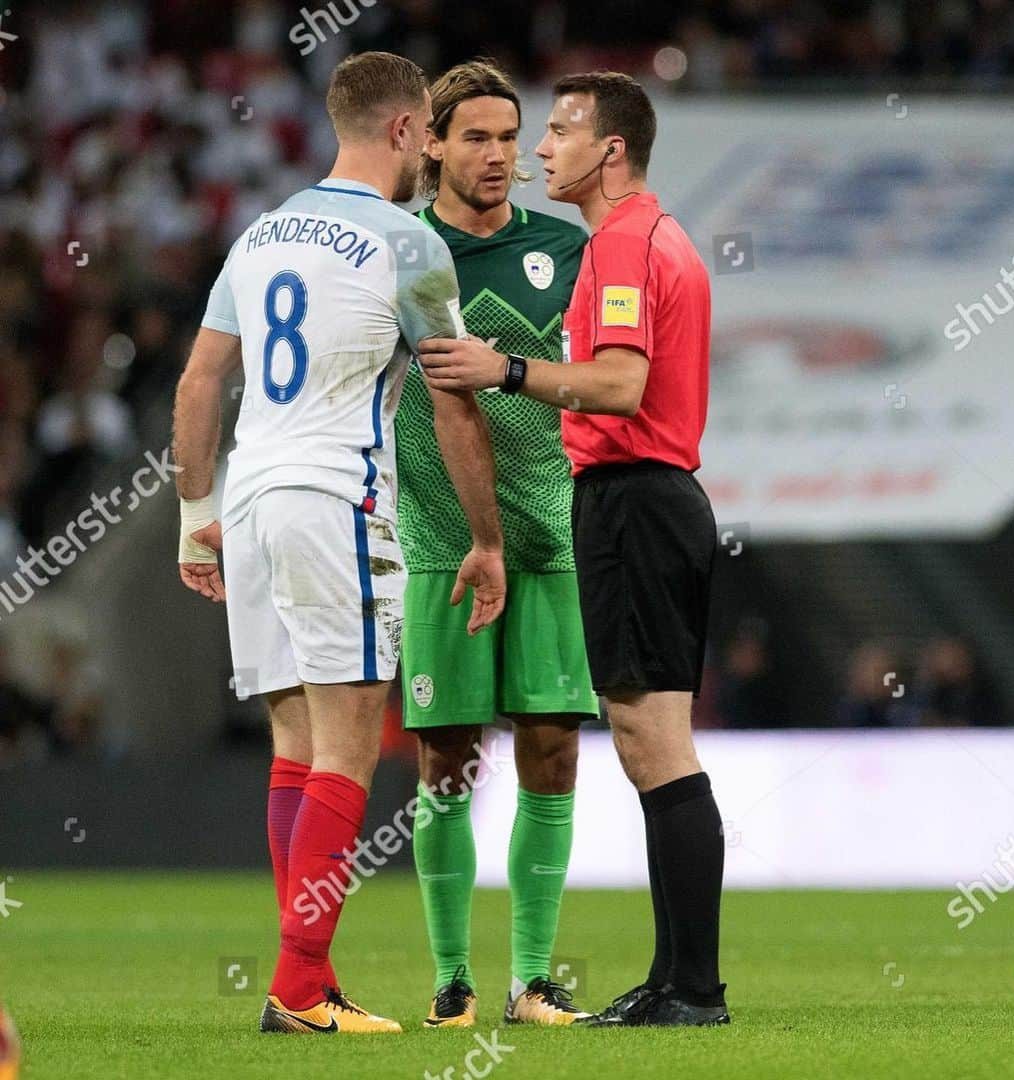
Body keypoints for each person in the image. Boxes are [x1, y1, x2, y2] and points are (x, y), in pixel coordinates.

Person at [172, 51, 506, 1036]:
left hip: (255, 495)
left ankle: (301, 976)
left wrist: (197, 518)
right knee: (353, 743)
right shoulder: (409, 245)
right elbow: (453, 404)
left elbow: (197, 386)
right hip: (339, 501)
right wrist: (485, 538)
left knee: (296, 742)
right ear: (408, 130)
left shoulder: (262, 233)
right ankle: (301, 985)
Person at [418, 70, 728, 1027]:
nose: (538, 150)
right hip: (650, 499)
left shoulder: (626, 243)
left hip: (633, 498)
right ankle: (677, 980)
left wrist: (503, 369)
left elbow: (620, 387)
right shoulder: (642, 235)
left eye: (558, 130)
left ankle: (691, 987)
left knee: (653, 745)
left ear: (612, 150)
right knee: (651, 744)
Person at [396, 59, 598, 1029]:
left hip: (551, 536)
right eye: (475, 136)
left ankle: (533, 980)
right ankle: (450, 980)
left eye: (510, 138)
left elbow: (603, 378)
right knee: (445, 764)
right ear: (431, 143)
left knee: (552, 752)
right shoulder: (400, 251)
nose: (497, 155)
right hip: (441, 540)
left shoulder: (566, 248)